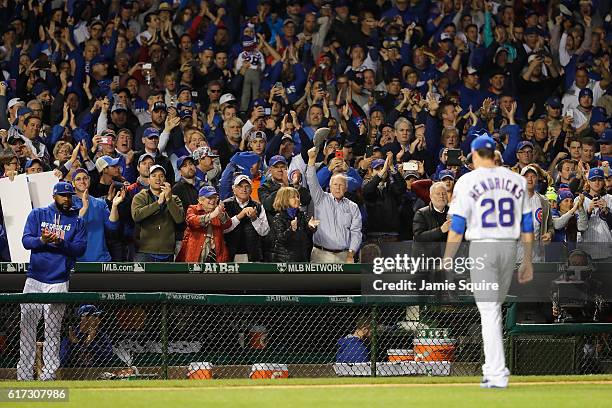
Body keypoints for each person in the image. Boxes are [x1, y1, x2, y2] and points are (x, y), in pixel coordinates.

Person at [444, 135, 534, 389]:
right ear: (494, 153)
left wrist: (447, 258)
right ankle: (495, 369)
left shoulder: (466, 180)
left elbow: (458, 225)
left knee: (489, 310)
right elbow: (527, 225)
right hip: (509, 247)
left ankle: (495, 372)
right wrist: (527, 259)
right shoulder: (516, 179)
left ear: (474, 155)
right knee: (494, 308)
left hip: (482, 247)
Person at [18, 181, 86, 380]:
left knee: (53, 329)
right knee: (27, 327)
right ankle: (24, 374)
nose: (67, 199)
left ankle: (48, 374)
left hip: (59, 279)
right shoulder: (38, 214)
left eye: (69, 195)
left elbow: (80, 249)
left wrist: (61, 241)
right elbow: (25, 241)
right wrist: (42, 240)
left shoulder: (77, 221)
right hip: (35, 278)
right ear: (54, 196)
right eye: (63, 195)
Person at [306, 147, 361, 263]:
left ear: (346, 188)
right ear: (330, 186)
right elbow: (312, 181)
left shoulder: (353, 207)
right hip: (321, 255)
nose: (338, 187)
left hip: (344, 255)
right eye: (335, 184)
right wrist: (311, 160)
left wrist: (351, 253)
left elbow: (356, 232)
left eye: (341, 185)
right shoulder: (321, 199)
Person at [131, 165, 184, 261]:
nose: (158, 178)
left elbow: (179, 219)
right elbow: (136, 216)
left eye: (161, 176)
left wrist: (169, 199)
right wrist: (158, 203)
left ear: (165, 180)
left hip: (167, 251)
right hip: (144, 251)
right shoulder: (140, 197)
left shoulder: (174, 199)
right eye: (154, 175)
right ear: (148, 180)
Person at [72, 168, 125, 262]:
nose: (82, 181)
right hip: (77, 260)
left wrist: (114, 206)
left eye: (85, 178)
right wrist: (84, 208)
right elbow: (70, 229)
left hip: (100, 258)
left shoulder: (100, 203)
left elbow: (112, 225)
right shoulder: (68, 203)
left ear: (89, 180)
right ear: (73, 183)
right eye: (78, 179)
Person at [177, 186, 232, 262]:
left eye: (214, 197)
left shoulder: (218, 210)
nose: (212, 200)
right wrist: (211, 215)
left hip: (217, 255)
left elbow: (228, 224)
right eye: (209, 198)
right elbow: (192, 221)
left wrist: (221, 215)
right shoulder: (193, 209)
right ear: (200, 200)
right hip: (196, 255)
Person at [222, 175, 270, 262]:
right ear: (234, 189)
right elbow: (224, 229)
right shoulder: (225, 205)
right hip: (230, 253)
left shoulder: (258, 206)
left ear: (251, 189)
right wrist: (241, 215)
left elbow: (265, 232)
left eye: (247, 186)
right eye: (240, 186)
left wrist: (254, 218)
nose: (244, 189)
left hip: (253, 254)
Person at [268, 186, 319, 262]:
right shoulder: (279, 217)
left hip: (302, 258)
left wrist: (310, 226)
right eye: (293, 197)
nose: (297, 199)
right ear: (284, 200)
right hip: (284, 261)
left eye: (297, 197)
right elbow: (281, 239)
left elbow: (310, 230)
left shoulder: (302, 215)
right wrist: (291, 229)